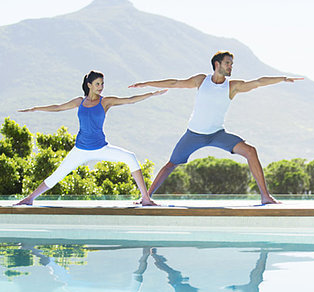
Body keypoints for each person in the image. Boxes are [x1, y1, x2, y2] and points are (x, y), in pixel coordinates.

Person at [129, 51, 303, 204]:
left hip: (217, 134)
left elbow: (258, 82)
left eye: (232, 64)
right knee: (171, 164)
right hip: (194, 135)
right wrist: (147, 84)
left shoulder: (232, 86)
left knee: (250, 151)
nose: (231, 67)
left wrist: (283, 78)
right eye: (228, 63)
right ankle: (146, 197)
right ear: (217, 64)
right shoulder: (201, 81)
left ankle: (265, 196)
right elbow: (175, 83)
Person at [16, 70, 166, 205]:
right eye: (97, 84)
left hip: (101, 147)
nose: (100, 87)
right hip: (80, 149)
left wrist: (151, 94)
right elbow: (58, 107)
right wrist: (35, 109)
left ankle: (145, 198)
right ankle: (30, 199)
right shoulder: (79, 102)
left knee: (131, 157)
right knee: (57, 175)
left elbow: (130, 99)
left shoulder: (105, 101)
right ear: (89, 85)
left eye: (102, 84)